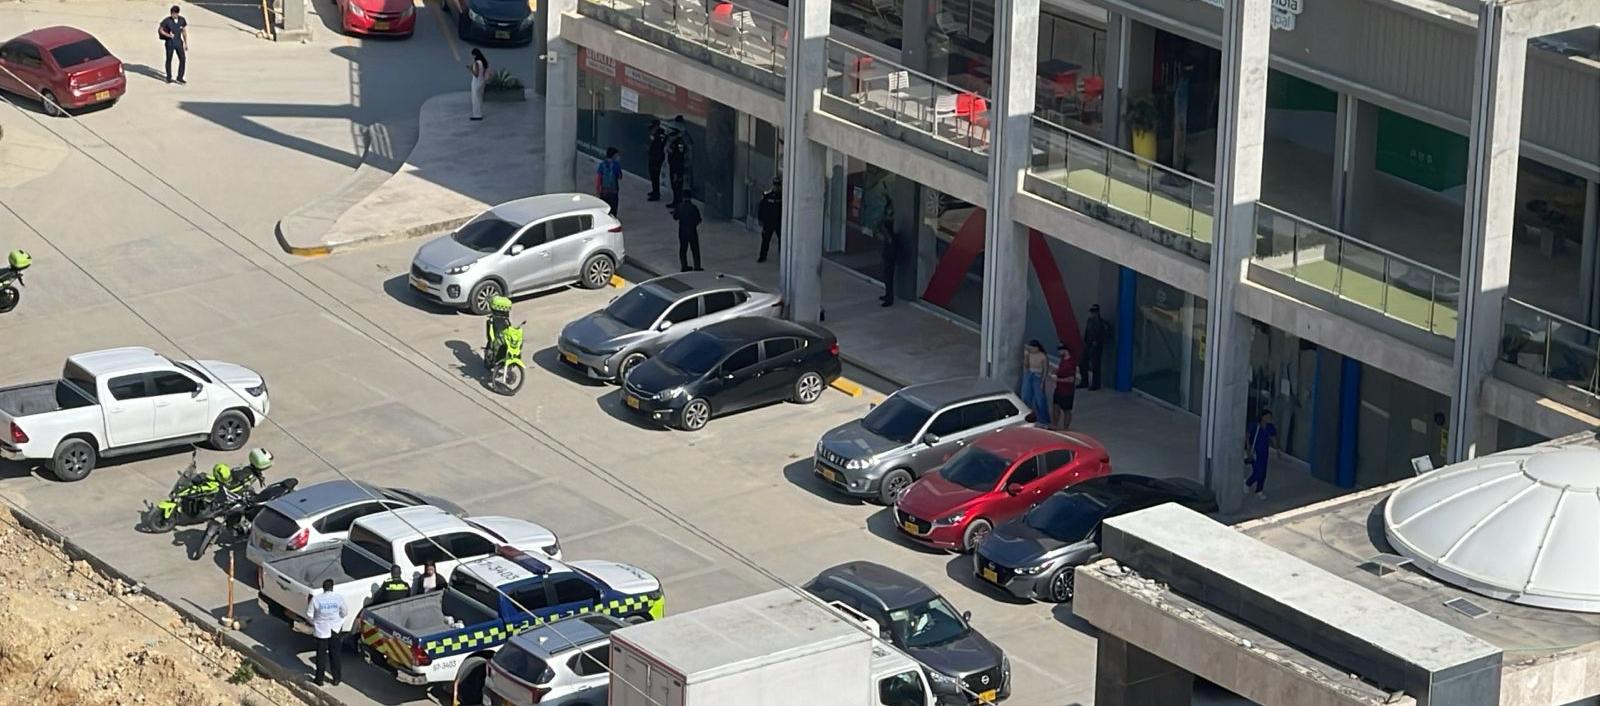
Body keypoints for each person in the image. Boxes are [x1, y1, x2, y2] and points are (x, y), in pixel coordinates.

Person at [307, 578, 348, 686]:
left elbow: (309, 614)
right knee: (335, 655)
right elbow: (344, 612)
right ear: (332, 587)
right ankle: (336, 679)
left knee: (321, 656)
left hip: (321, 631)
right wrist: (338, 620)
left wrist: (315, 622)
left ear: (323, 588)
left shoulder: (317, 599)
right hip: (335, 629)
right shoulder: (338, 598)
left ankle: (319, 679)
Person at [1245, 410, 1277, 500]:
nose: (1269, 418)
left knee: (1263, 473)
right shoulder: (1255, 425)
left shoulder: (1270, 427)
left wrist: (1277, 449)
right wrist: (1248, 449)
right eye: (1267, 416)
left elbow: (1273, 438)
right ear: (1262, 417)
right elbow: (1247, 436)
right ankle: (1248, 483)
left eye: (1270, 417)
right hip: (1255, 452)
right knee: (1258, 472)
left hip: (1264, 452)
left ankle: (1259, 490)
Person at [1080, 304, 1111, 391]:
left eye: (1094, 312)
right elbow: (1087, 332)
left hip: (1096, 347)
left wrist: (1098, 342)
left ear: (1098, 312)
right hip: (1088, 345)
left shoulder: (1102, 323)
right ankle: (1084, 382)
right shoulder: (1089, 321)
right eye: (1091, 312)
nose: (1092, 314)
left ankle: (1096, 384)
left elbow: (1106, 335)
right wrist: (1085, 342)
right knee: (1082, 363)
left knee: (1095, 366)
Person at [1019, 340, 1051, 425]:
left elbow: (1045, 370)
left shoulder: (1043, 356)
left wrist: (1042, 382)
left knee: (1039, 399)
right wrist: (1026, 356)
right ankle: (1031, 415)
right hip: (1029, 374)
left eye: (1032, 348)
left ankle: (1044, 420)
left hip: (1038, 376)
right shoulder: (1029, 354)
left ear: (1037, 348)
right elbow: (1026, 365)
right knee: (1026, 396)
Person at [158, 5, 187, 84]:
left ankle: (180, 77)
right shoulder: (167, 21)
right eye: (172, 13)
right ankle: (169, 77)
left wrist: (185, 43)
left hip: (178, 42)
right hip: (170, 43)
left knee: (183, 59)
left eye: (174, 13)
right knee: (169, 59)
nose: (173, 15)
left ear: (177, 13)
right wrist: (168, 35)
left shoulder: (182, 20)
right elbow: (160, 30)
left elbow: (184, 31)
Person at [665, 120, 690, 210]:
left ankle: (678, 206)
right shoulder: (673, 142)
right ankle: (675, 203)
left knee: (678, 187)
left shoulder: (679, 143)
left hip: (677, 169)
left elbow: (679, 159)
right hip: (673, 167)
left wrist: (677, 172)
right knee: (674, 187)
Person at [756, 175, 782, 263]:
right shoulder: (767, 196)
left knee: (782, 241)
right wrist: (760, 220)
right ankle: (762, 256)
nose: (776, 187)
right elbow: (761, 207)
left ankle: (782, 257)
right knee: (765, 240)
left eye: (778, 185)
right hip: (769, 222)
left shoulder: (783, 197)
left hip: (779, 222)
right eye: (775, 185)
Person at [1050, 344, 1076, 431]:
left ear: (1065, 351)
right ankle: (1054, 425)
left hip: (1067, 391)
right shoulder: (1063, 360)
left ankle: (1066, 428)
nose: (1059, 352)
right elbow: (1061, 370)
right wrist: (1056, 372)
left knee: (1066, 410)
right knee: (1055, 407)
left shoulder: (1071, 363)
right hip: (1059, 389)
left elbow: (1071, 379)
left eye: (1060, 350)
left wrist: (1057, 379)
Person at [676, 193, 703, 272]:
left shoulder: (679, 206)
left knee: (683, 249)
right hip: (692, 230)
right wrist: (693, 224)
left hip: (682, 231)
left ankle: (684, 266)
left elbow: (675, 217)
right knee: (695, 249)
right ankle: (697, 266)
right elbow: (699, 219)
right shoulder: (693, 207)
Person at [878, 199, 897, 307]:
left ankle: (889, 298)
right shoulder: (888, 223)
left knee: (888, 276)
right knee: (886, 276)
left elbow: (888, 237)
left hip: (890, 254)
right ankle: (887, 294)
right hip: (888, 253)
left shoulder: (889, 228)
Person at [596, 147, 623, 217]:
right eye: (617, 155)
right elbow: (620, 177)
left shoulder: (602, 165)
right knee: (613, 210)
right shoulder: (616, 165)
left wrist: (598, 189)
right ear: (614, 156)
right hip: (613, 192)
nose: (618, 157)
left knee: (604, 208)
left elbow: (599, 178)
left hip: (604, 191)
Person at [645, 120, 668, 201]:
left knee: (655, 176)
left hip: (657, 158)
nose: (651, 130)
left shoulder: (661, 134)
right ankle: (654, 190)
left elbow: (659, 146)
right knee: (652, 175)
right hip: (652, 156)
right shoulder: (654, 134)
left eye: (653, 128)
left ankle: (656, 194)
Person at [468, 49, 489, 121]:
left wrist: (470, 69)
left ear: (475, 55)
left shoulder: (476, 63)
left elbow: (476, 74)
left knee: (475, 98)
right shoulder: (482, 62)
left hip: (476, 82)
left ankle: (477, 115)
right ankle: (480, 113)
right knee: (479, 98)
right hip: (482, 81)